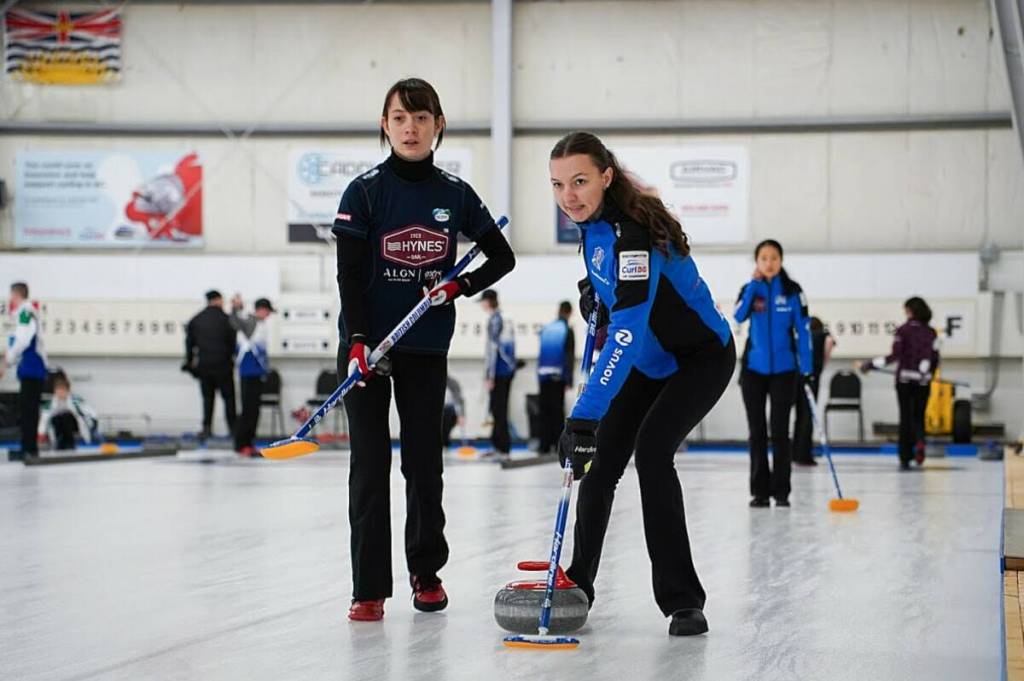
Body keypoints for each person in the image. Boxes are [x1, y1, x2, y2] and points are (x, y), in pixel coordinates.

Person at [332, 77, 515, 622]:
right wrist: (358, 342)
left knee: (424, 466)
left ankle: (426, 572)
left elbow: (500, 256)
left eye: (421, 118)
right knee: (369, 467)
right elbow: (348, 275)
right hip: (366, 349)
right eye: (399, 118)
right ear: (384, 126)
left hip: (426, 347)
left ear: (439, 125)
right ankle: (368, 588)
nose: (410, 128)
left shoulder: (454, 194)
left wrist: (458, 286)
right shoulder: (363, 192)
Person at [550, 132, 735, 637]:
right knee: (602, 461)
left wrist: (584, 414)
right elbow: (614, 298)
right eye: (559, 184)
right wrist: (594, 296)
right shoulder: (591, 229)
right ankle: (578, 584)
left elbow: (627, 333)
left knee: (652, 452)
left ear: (606, 178)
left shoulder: (634, 234)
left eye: (581, 181)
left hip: (699, 359)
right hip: (648, 364)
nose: (569, 195)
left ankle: (682, 601)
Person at [734, 240, 813, 508]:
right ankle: (760, 492)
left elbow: (803, 331)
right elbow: (738, 316)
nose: (769, 263)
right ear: (757, 262)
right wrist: (753, 287)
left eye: (774, 258)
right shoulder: (749, 289)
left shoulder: (793, 291)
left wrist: (808, 366)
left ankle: (781, 492)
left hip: (785, 371)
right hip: (753, 371)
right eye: (764, 258)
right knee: (757, 432)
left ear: (781, 260)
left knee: (780, 432)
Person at [859, 297, 939, 470]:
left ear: (910, 311)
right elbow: (935, 358)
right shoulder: (931, 332)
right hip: (923, 382)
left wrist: (870, 364)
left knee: (906, 417)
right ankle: (920, 441)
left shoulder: (903, 331)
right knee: (918, 416)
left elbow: (894, 356)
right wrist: (928, 374)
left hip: (904, 380)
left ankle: (905, 456)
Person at [1, 282, 48, 461]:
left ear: (16, 294)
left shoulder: (25, 312)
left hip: (32, 366)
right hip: (28, 366)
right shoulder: (24, 313)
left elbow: (22, 341)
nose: (10, 299)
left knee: (29, 409)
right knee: (27, 408)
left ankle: (29, 449)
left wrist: (7, 361)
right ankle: (27, 447)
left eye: (11, 295)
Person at [184, 290, 237, 442]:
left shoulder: (197, 319)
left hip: (204, 365)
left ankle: (207, 429)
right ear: (219, 300)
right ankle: (233, 429)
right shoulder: (226, 319)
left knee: (208, 398)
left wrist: (190, 362)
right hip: (224, 365)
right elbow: (233, 343)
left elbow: (189, 344)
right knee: (229, 398)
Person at [230, 295, 274, 456]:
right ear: (261, 310)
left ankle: (248, 442)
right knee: (248, 411)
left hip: (257, 373)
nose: (269, 315)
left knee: (254, 411)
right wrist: (236, 307)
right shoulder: (251, 322)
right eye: (268, 311)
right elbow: (235, 321)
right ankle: (241, 443)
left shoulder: (260, 324)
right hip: (248, 373)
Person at [792, 316, 835, 465]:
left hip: (796, 376)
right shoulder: (823, 335)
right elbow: (829, 345)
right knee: (808, 415)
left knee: (799, 415)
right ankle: (804, 454)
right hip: (811, 377)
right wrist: (822, 366)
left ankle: (795, 452)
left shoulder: (801, 335)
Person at [480, 289, 516, 458]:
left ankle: (503, 447)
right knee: (497, 408)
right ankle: (498, 445)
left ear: (489, 301)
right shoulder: (502, 318)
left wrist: (490, 376)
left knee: (499, 409)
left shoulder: (496, 320)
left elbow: (494, 350)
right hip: (505, 371)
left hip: (500, 372)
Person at [536, 301, 575, 454]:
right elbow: (568, 356)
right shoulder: (567, 329)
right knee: (557, 411)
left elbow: (541, 353)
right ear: (569, 313)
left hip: (543, 375)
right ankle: (557, 445)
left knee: (544, 411)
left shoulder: (547, 328)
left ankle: (543, 445)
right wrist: (569, 379)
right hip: (558, 376)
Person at [38, 372, 98, 450]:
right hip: (58, 426)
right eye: (58, 390)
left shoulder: (76, 401)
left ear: (67, 390)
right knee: (58, 418)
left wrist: (92, 423)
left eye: (63, 390)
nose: (60, 393)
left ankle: (70, 442)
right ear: (55, 391)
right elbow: (44, 419)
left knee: (66, 416)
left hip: (73, 425)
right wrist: (41, 434)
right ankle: (59, 442)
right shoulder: (49, 404)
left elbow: (90, 412)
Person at [442, 375, 465, 448]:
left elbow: (459, 400)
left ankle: (445, 442)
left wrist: (461, 415)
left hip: (449, 411)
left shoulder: (452, 383)